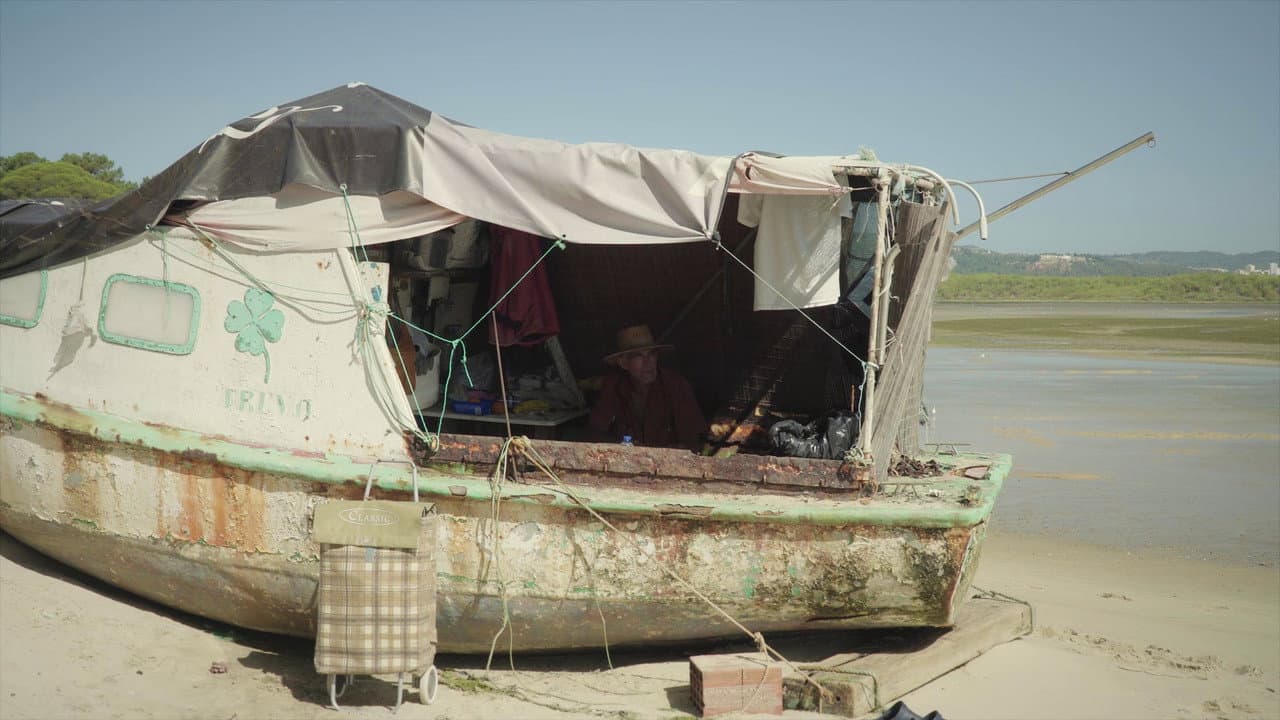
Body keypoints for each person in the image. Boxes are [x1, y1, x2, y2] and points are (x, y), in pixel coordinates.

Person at [588, 325, 707, 450]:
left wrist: (661, 453)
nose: (648, 362)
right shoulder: (613, 385)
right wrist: (621, 446)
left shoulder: (676, 385)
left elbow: (694, 441)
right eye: (638, 356)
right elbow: (595, 433)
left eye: (651, 354)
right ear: (624, 363)